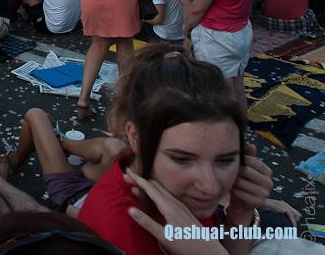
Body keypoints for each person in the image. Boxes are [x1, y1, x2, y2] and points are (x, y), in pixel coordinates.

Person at [77, 46, 273, 255]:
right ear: (135, 137)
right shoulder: (121, 231)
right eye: (182, 159)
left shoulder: (150, 170)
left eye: (225, 161)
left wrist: (240, 215)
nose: (211, 187)